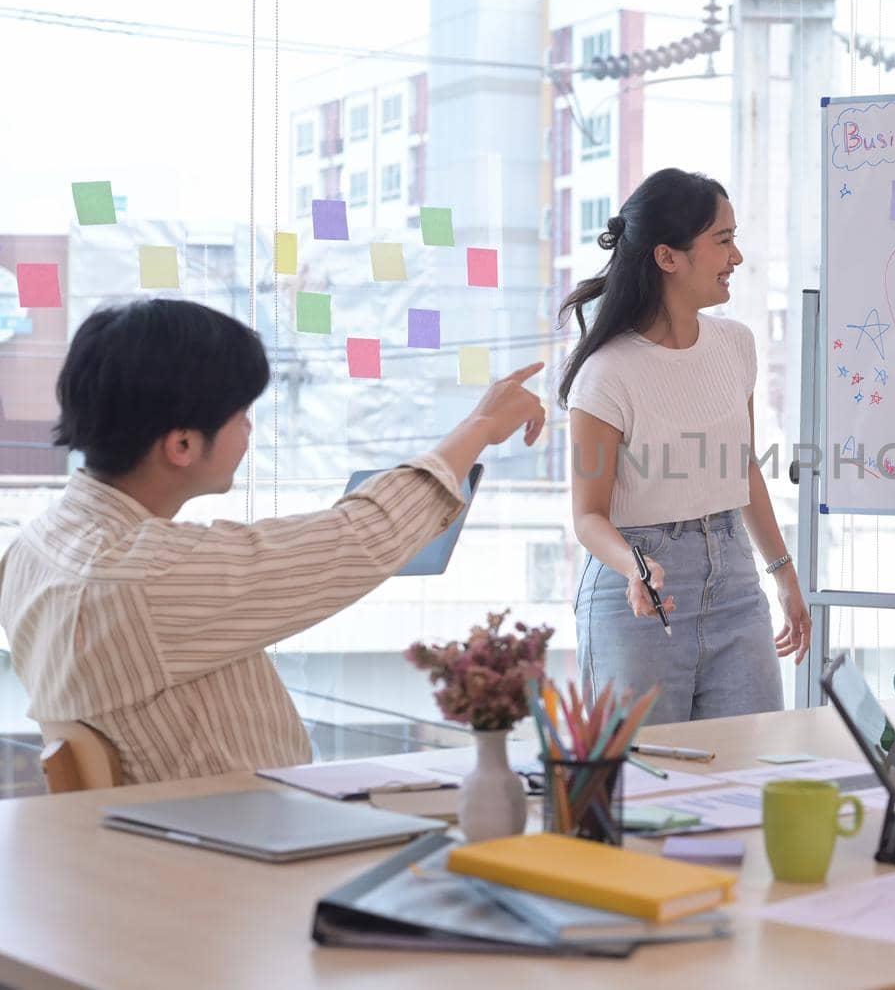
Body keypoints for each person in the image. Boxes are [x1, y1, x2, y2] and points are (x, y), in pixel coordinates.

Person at [0, 299, 547, 784]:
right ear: (183, 443)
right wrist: (479, 427)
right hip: (230, 854)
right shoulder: (140, 576)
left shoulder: (36, 546)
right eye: (242, 416)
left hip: (165, 842)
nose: (249, 431)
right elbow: (359, 537)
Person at [561, 168, 808, 724]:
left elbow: (742, 470)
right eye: (723, 240)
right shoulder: (606, 374)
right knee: (644, 792)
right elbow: (588, 516)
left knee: (748, 772)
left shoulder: (735, 345)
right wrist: (636, 567)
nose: (737, 257)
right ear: (668, 257)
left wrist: (784, 574)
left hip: (737, 584)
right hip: (640, 594)